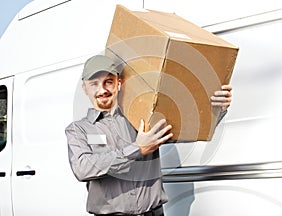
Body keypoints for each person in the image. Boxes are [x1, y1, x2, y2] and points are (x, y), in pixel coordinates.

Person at [65, 55, 232, 216]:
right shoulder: (78, 129)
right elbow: (83, 169)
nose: (102, 90)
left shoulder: (142, 119)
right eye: (94, 84)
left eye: (108, 82)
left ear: (119, 84)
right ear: (84, 88)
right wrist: (138, 148)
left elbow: (189, 131)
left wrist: (216, 109)